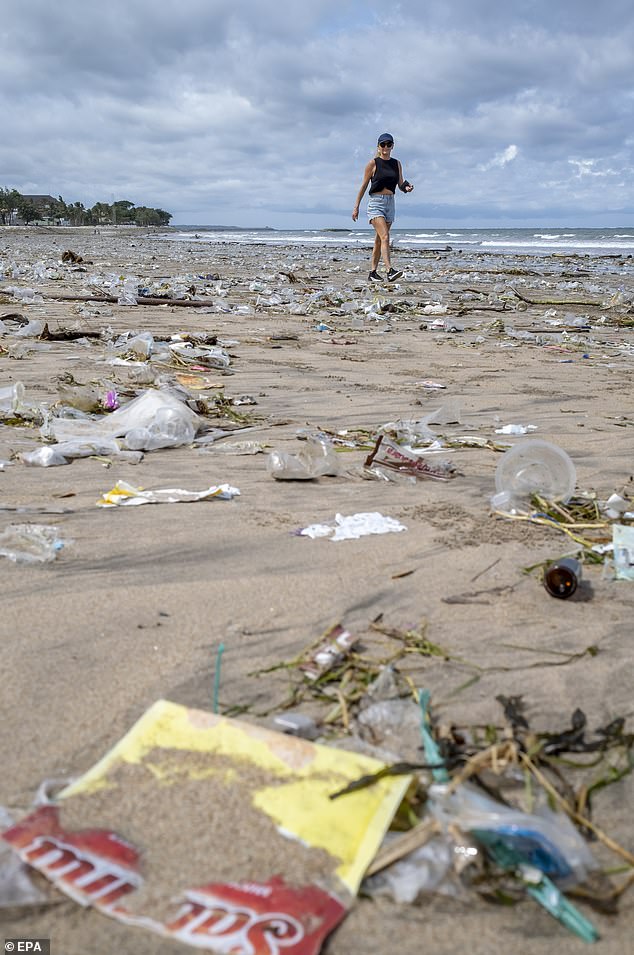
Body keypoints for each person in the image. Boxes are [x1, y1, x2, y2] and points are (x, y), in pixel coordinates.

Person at [352, 132, 414, 282]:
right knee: (385, 236)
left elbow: (400, 183)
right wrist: (356, 206)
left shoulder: (396, 163)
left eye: (389, 144)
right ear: (378, 147)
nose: (386, 147)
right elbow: (364, 186)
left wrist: (406, 188)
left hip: (390, 203)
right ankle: (389, 271)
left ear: (392, 146)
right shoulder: (373, 163)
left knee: (379, 240)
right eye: (383, 144)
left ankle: (372, 273)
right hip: (376, 203)